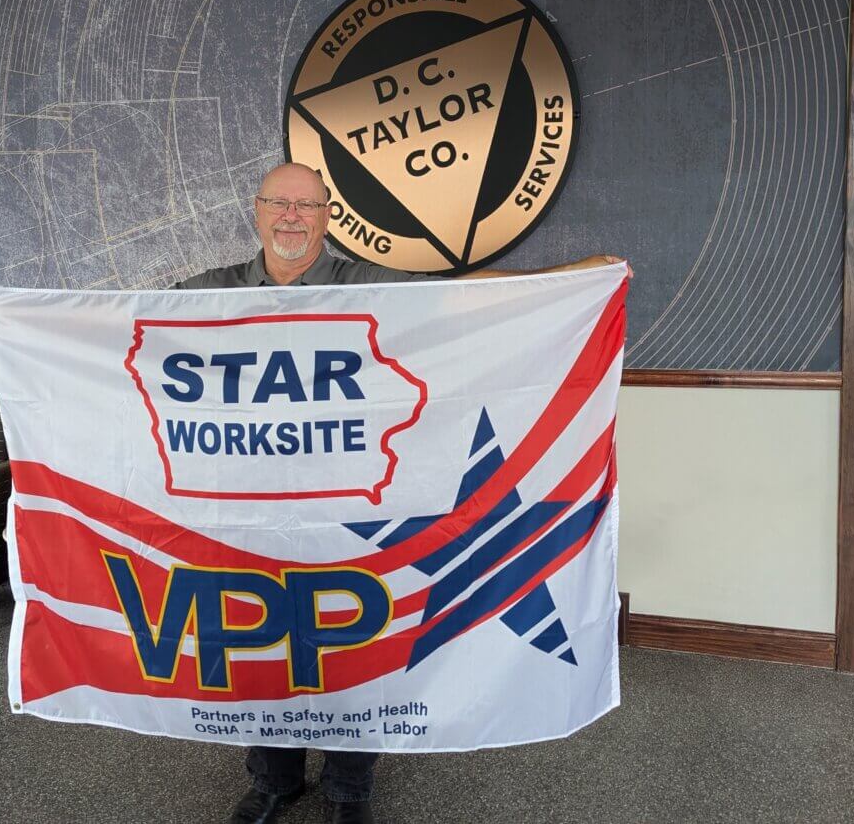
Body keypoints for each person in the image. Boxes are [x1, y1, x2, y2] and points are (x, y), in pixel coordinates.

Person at [171, 162, 628, 824]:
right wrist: (18, 326)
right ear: (258, 209)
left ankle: (348, 787)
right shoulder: (208, 294)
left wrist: (576, 278)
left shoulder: (366, 284)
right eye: (280, 202)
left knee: (353, 643)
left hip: (352, 509)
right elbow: (117, 329)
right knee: (262, 642)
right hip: (255, 512)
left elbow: (464, 295)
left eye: (308, 204)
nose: (293, 216)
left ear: (329, 216)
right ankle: (274, 778)